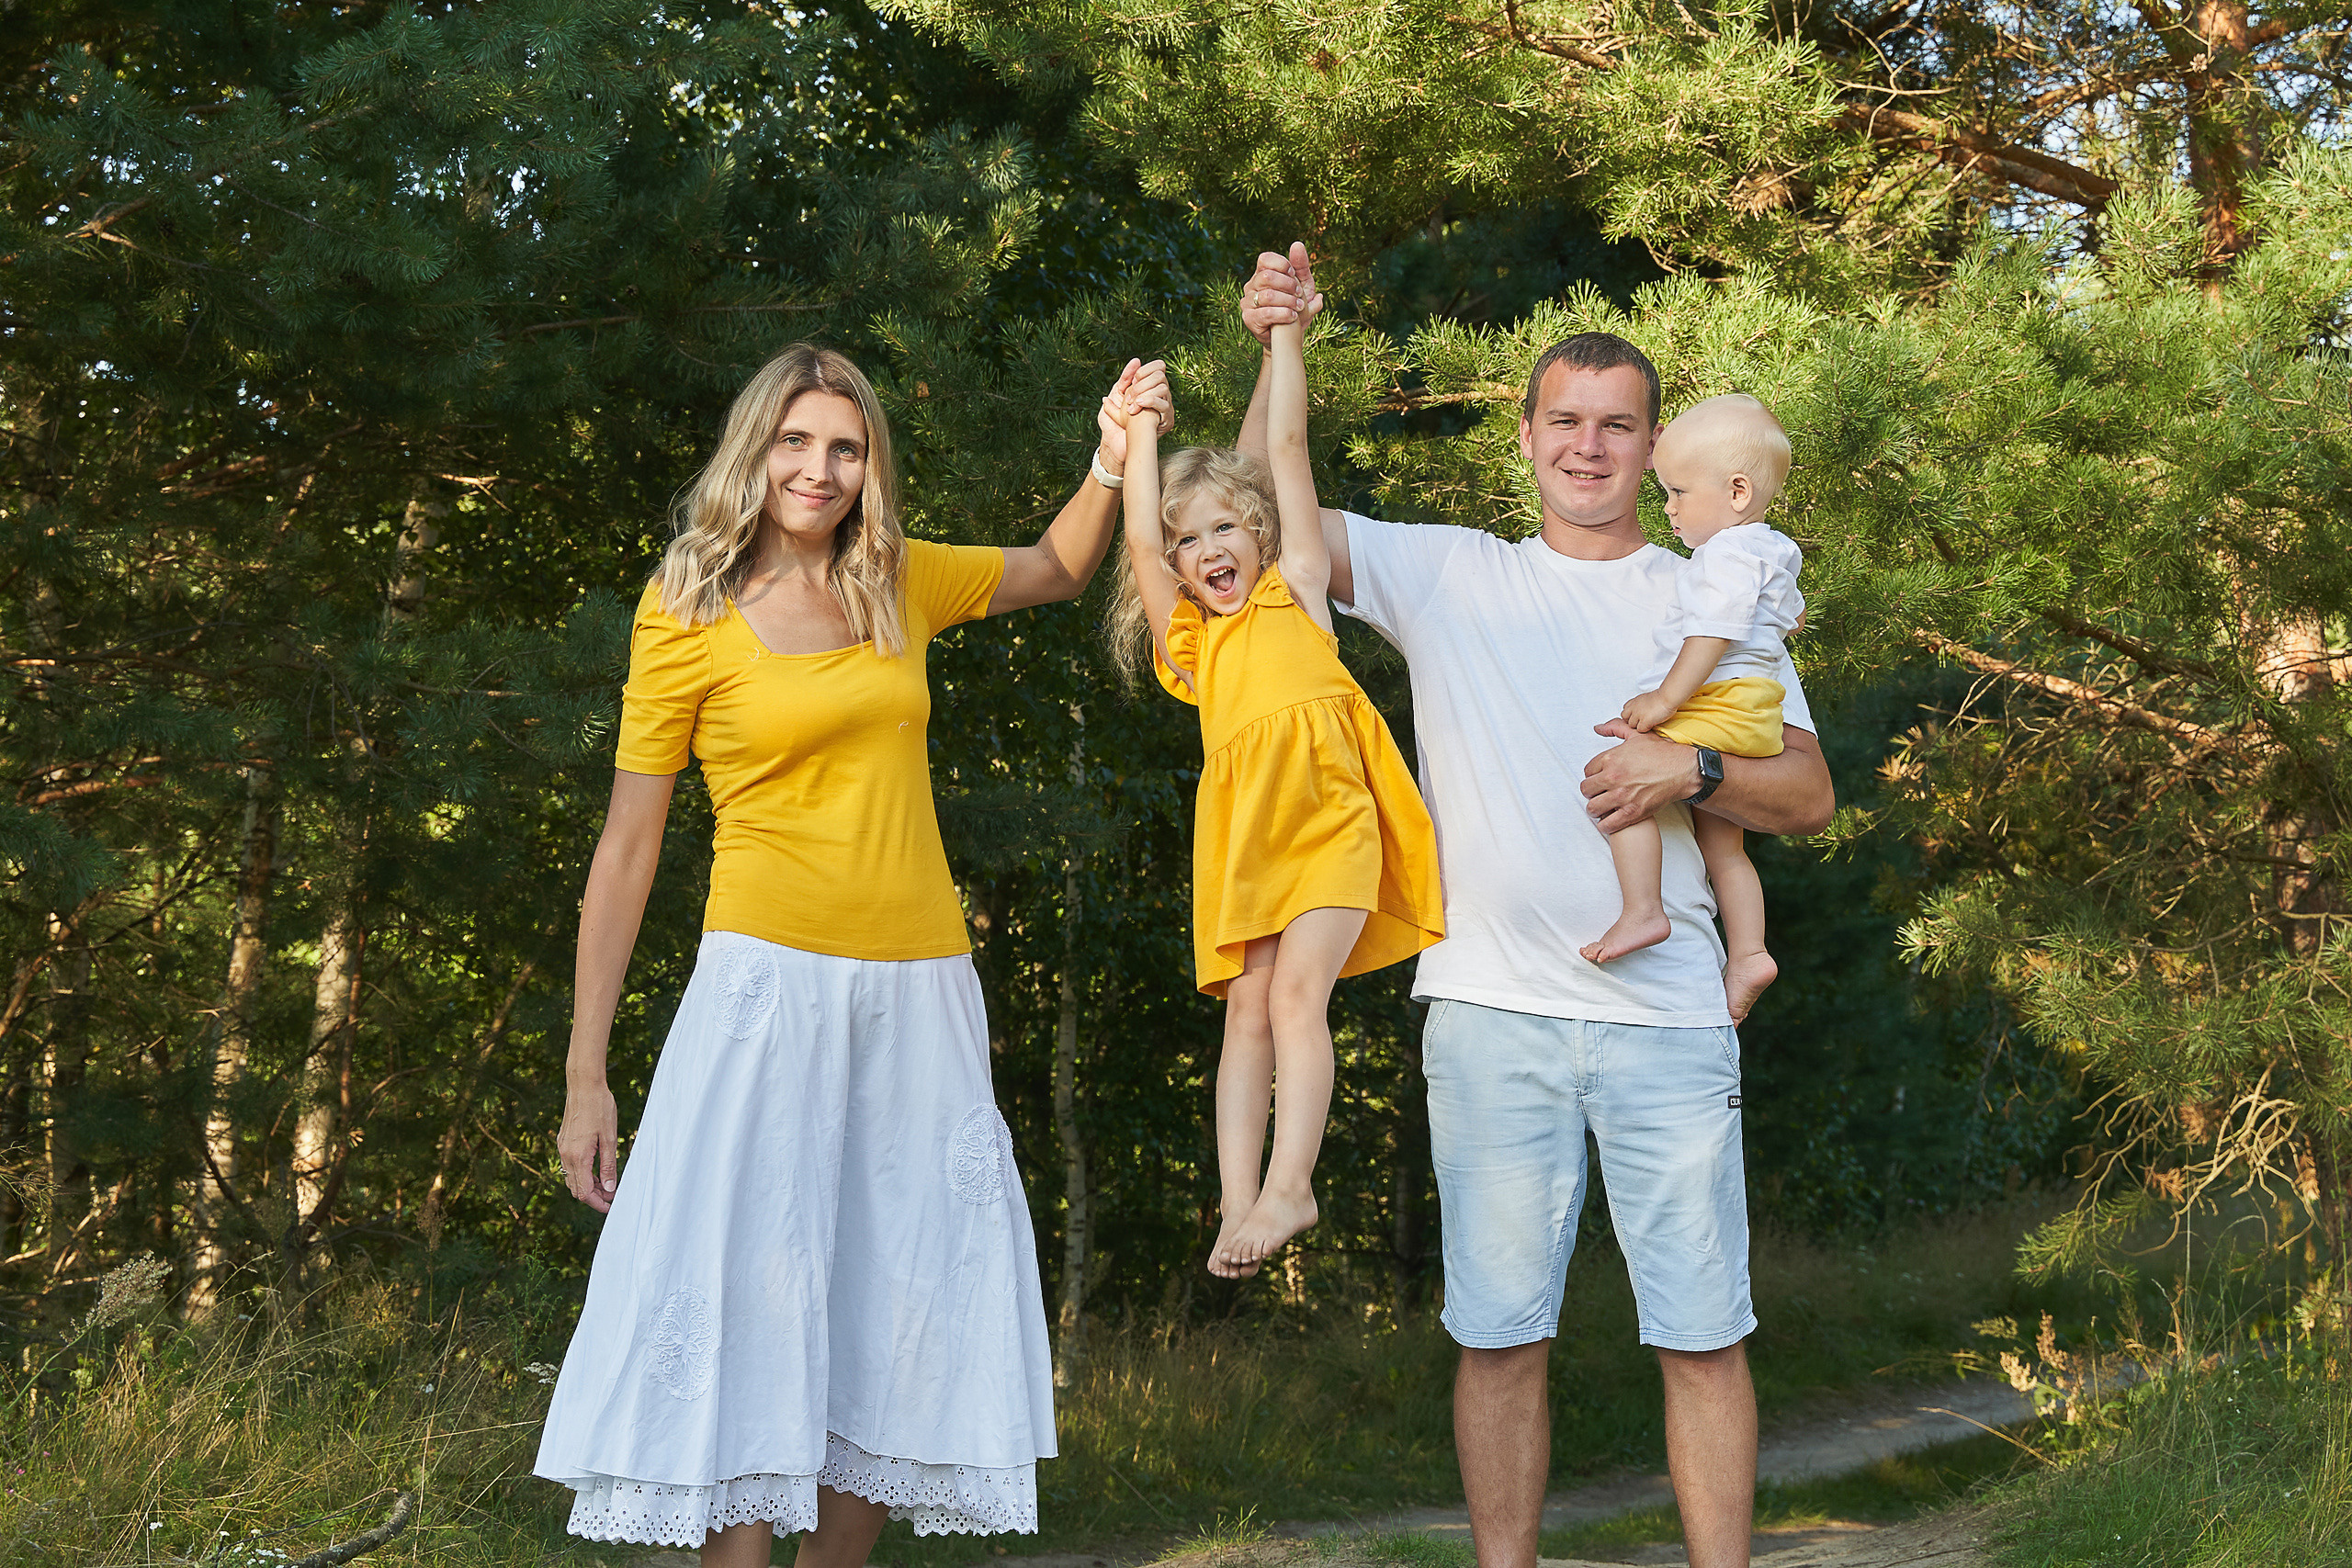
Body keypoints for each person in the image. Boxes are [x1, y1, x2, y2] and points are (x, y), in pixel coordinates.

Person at [1241, 248, 1835, 1568]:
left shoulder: (1716, 590)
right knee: (1498, 1330)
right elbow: (1264, 514)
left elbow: (1806, 793)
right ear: (1525, 437)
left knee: (1704, 1328)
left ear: (1654, 447)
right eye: (1564, 419)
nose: (1589, 444)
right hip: (1492, 1012)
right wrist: (1277, 342)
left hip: (1673, 1018)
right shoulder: (1450, 573)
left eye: (1618, 423)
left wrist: (1695, 764)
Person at [534, 343, 1172, 1566]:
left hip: (922, 991)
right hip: (763, 990)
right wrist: (586, 1072)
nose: (819, 469)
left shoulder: (896, 581)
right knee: (748, 1306)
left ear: (870, 461)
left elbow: (1054, 565)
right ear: (752, 449)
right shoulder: (686, 607)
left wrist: (1110, 452)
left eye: (845, 445)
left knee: (902, 1306)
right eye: (795, 442)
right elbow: (625, 850)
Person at [1106, 296, 1442, 1280]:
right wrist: (1138, 435)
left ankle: (1290, 1185)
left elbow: (1285, 445)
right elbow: (1132, 545)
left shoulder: (1294, 589)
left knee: (1298, 995)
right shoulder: (1194, 650)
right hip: (1247, 836)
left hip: (1332, 818)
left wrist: (1286, 336)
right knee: (1244, 1011)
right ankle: (1237, 1199)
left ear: (1256, 532)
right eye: (1187, 541)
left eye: (1222, 528)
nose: (1206, 550)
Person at [1581, 393, 1802, 1025]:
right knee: (1724, 847)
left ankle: (1643, 909)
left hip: (1718, 703)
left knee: (1618, 778)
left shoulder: (1726, 555)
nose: (1670, 509)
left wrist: (1665, 699)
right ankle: (1750, 951)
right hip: (1756, 712)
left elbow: (1713, 631)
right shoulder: (1774, 549)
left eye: (1678, 493)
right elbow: (1793, 616)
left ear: (1737, 492)